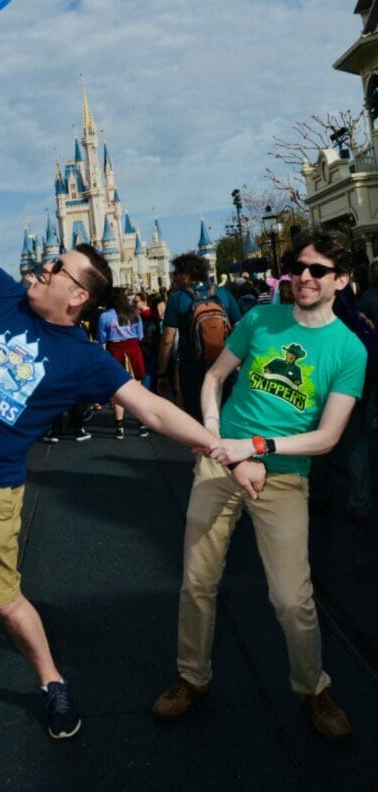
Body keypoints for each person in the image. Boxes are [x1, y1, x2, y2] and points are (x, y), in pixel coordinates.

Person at [0, 144, 263, 765]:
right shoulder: (1, 294)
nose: (45, 266)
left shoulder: (81, 358)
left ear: (78, 297)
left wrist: (225, 451)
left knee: (4, 602)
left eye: (58, 267)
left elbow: (153, 409)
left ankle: (52, 680)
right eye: (51, 260)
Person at [152, 229, 367, 742]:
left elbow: (327, 437)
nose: (304, 277)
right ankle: (192, 677)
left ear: (341, 280)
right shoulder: (260, 319)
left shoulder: (349, 349)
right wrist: (213, 434)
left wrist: (256, 447)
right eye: (298, 267)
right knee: (197, 581)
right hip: (220, 463)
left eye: (318, 270)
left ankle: (312, 687)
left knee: (292, 599)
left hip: (284, 476)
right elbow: (213, 379)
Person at [157, 253, 241, 419]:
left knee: (197, 416)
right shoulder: (223, 294)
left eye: (176, 273)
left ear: (186, 274)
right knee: (226, 414)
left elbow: (167, 340)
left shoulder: (177, 298)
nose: (174, 278)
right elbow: (240, 330)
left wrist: (162, 373)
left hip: (192, 368)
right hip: (225, 365)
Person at [97, 287, 146, 439]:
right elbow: (140, 335)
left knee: (118, 388)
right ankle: (141, 424)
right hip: (133, 348)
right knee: (137, 387)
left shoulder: (105, 316)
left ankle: (119, 427)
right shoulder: (134, 314)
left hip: (115, 349)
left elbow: (101, 338)